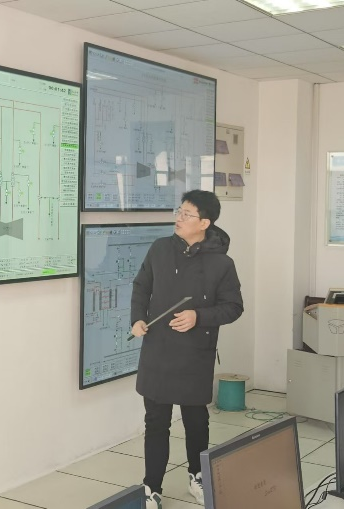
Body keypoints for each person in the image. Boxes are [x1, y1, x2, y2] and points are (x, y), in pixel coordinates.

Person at [130, 190, 243, 508]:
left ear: (204, 223)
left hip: (195, 353)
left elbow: (233, 307)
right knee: (156, 422)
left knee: (195, 421)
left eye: (187, 214)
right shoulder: (160, 248)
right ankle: (152, 487)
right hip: (158, 350)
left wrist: (198, 317)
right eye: (179, 211)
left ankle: (197, 475)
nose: (178, 218)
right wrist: (137, 318)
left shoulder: (222, 263)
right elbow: (141, 286)